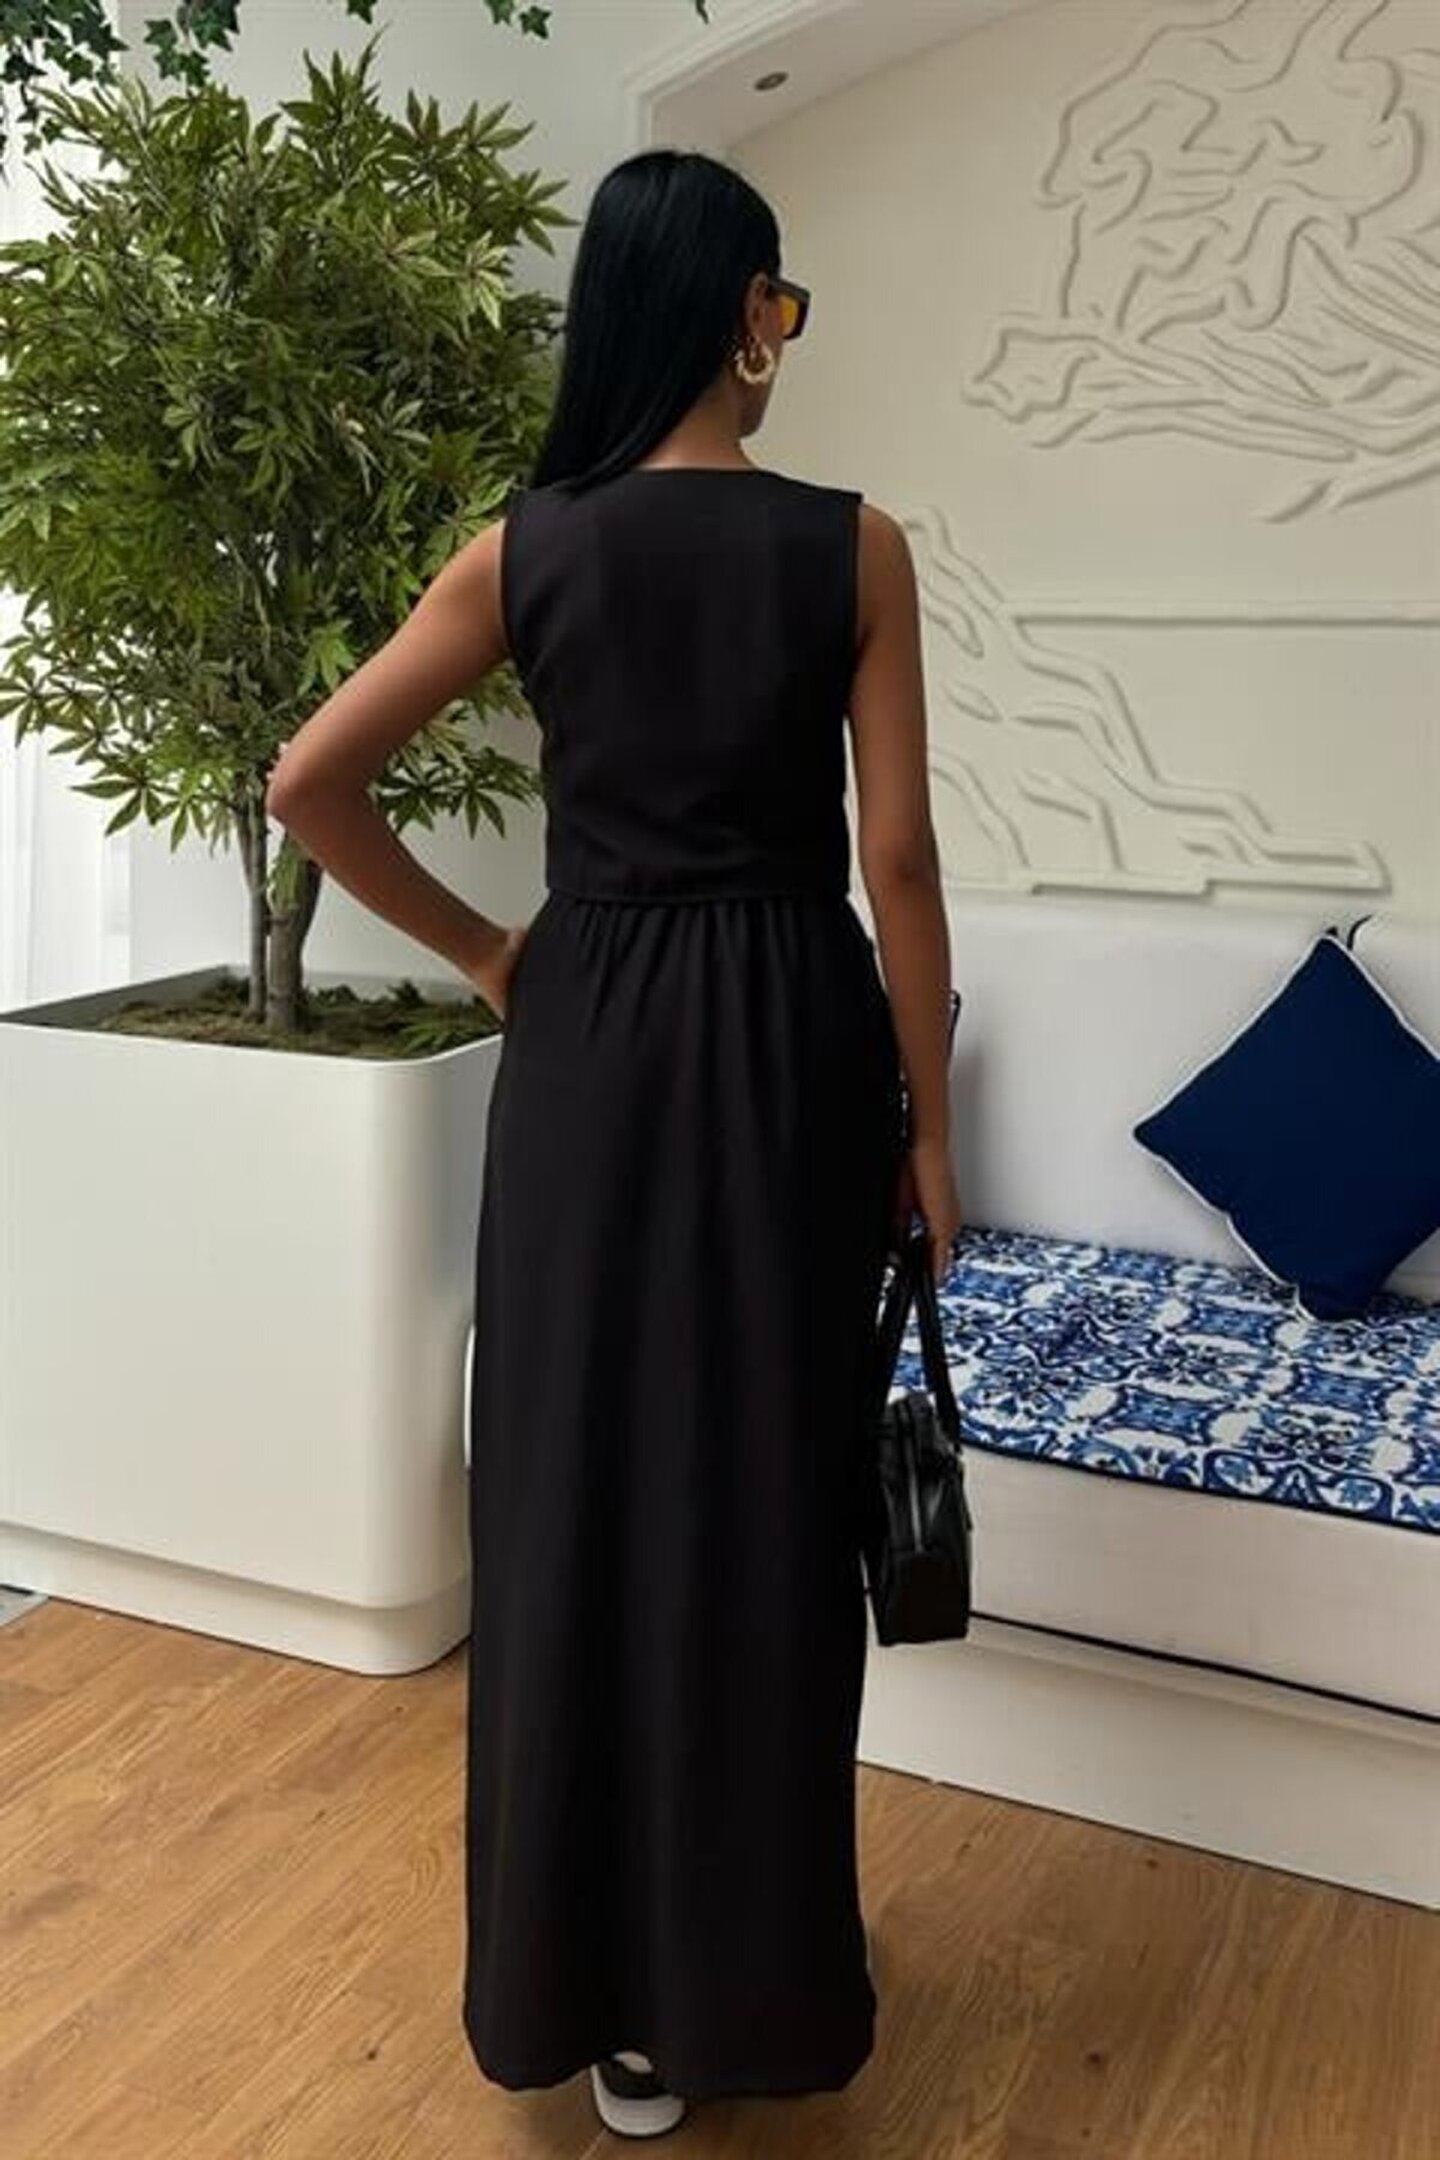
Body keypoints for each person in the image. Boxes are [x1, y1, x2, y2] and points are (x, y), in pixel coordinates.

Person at [265, 146, 960, 2138]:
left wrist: (495, 950)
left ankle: (569, 1990)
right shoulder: (855, 548)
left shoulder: (524, 549)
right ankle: (728, 1994)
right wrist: (929, 1129)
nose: (783, 336)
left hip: (586, 1043)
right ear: (741, 312)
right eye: (781, 304)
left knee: (572, 1501)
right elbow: (900, 862)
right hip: (790, 1047)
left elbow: (309, 783)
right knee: (761, 1515)